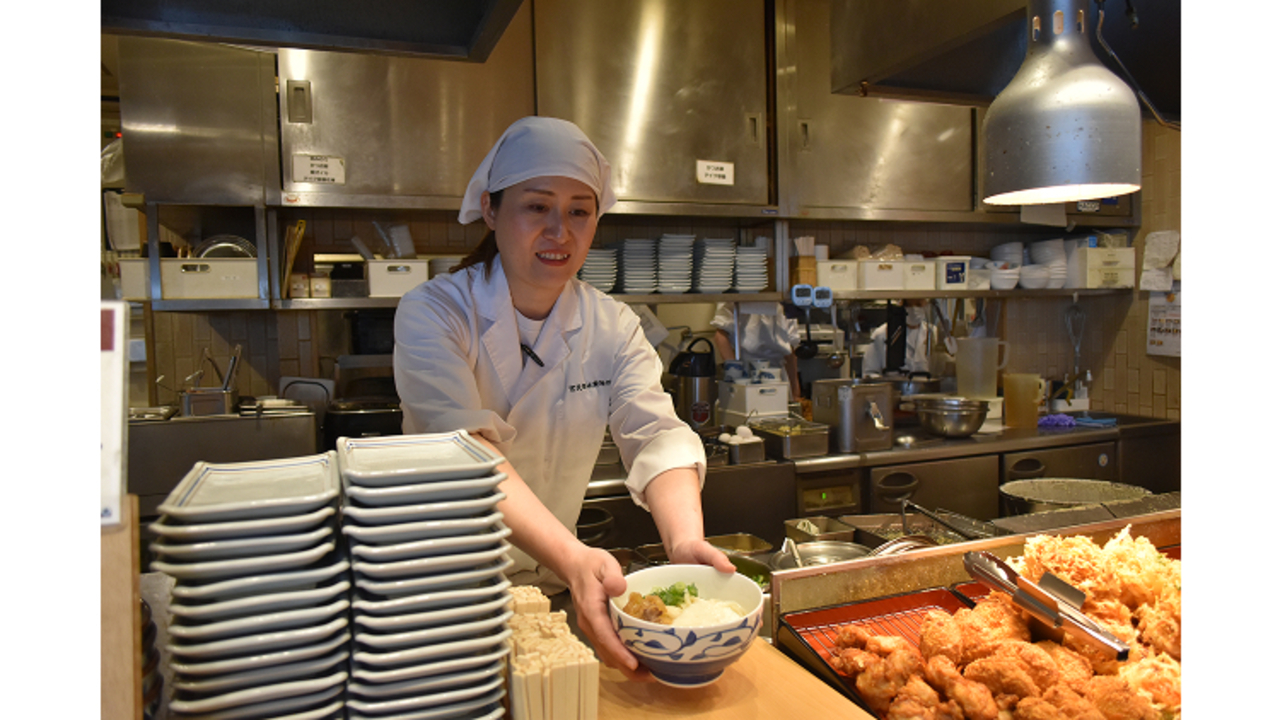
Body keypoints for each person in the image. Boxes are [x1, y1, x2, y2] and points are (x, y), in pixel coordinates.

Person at [393, 116, 734, 681]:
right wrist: (574, 557)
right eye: (537, 207)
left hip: (546, 596)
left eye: (580, 210)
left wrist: (685, 540)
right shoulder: (436, 312)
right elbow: (465, 451)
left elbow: (657, 434)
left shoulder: (613, 325)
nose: (561, 230)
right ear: (491, 210)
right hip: (442, 601)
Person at [710, 302, 802, 401]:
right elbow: (721, 335)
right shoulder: (735, 295)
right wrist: (736, 374)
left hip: (777, 376)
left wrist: (795, 390)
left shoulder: (783, 298)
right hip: (746, 372)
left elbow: (790, 349)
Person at [861, 298, 937, 375]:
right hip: (891, 385)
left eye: (918, 304)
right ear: (900, 305)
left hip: (925, 386)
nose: (913, 309)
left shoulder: (933, 332)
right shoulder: (881, 333)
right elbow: (869, 372)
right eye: (908, 305)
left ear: (926, 305)